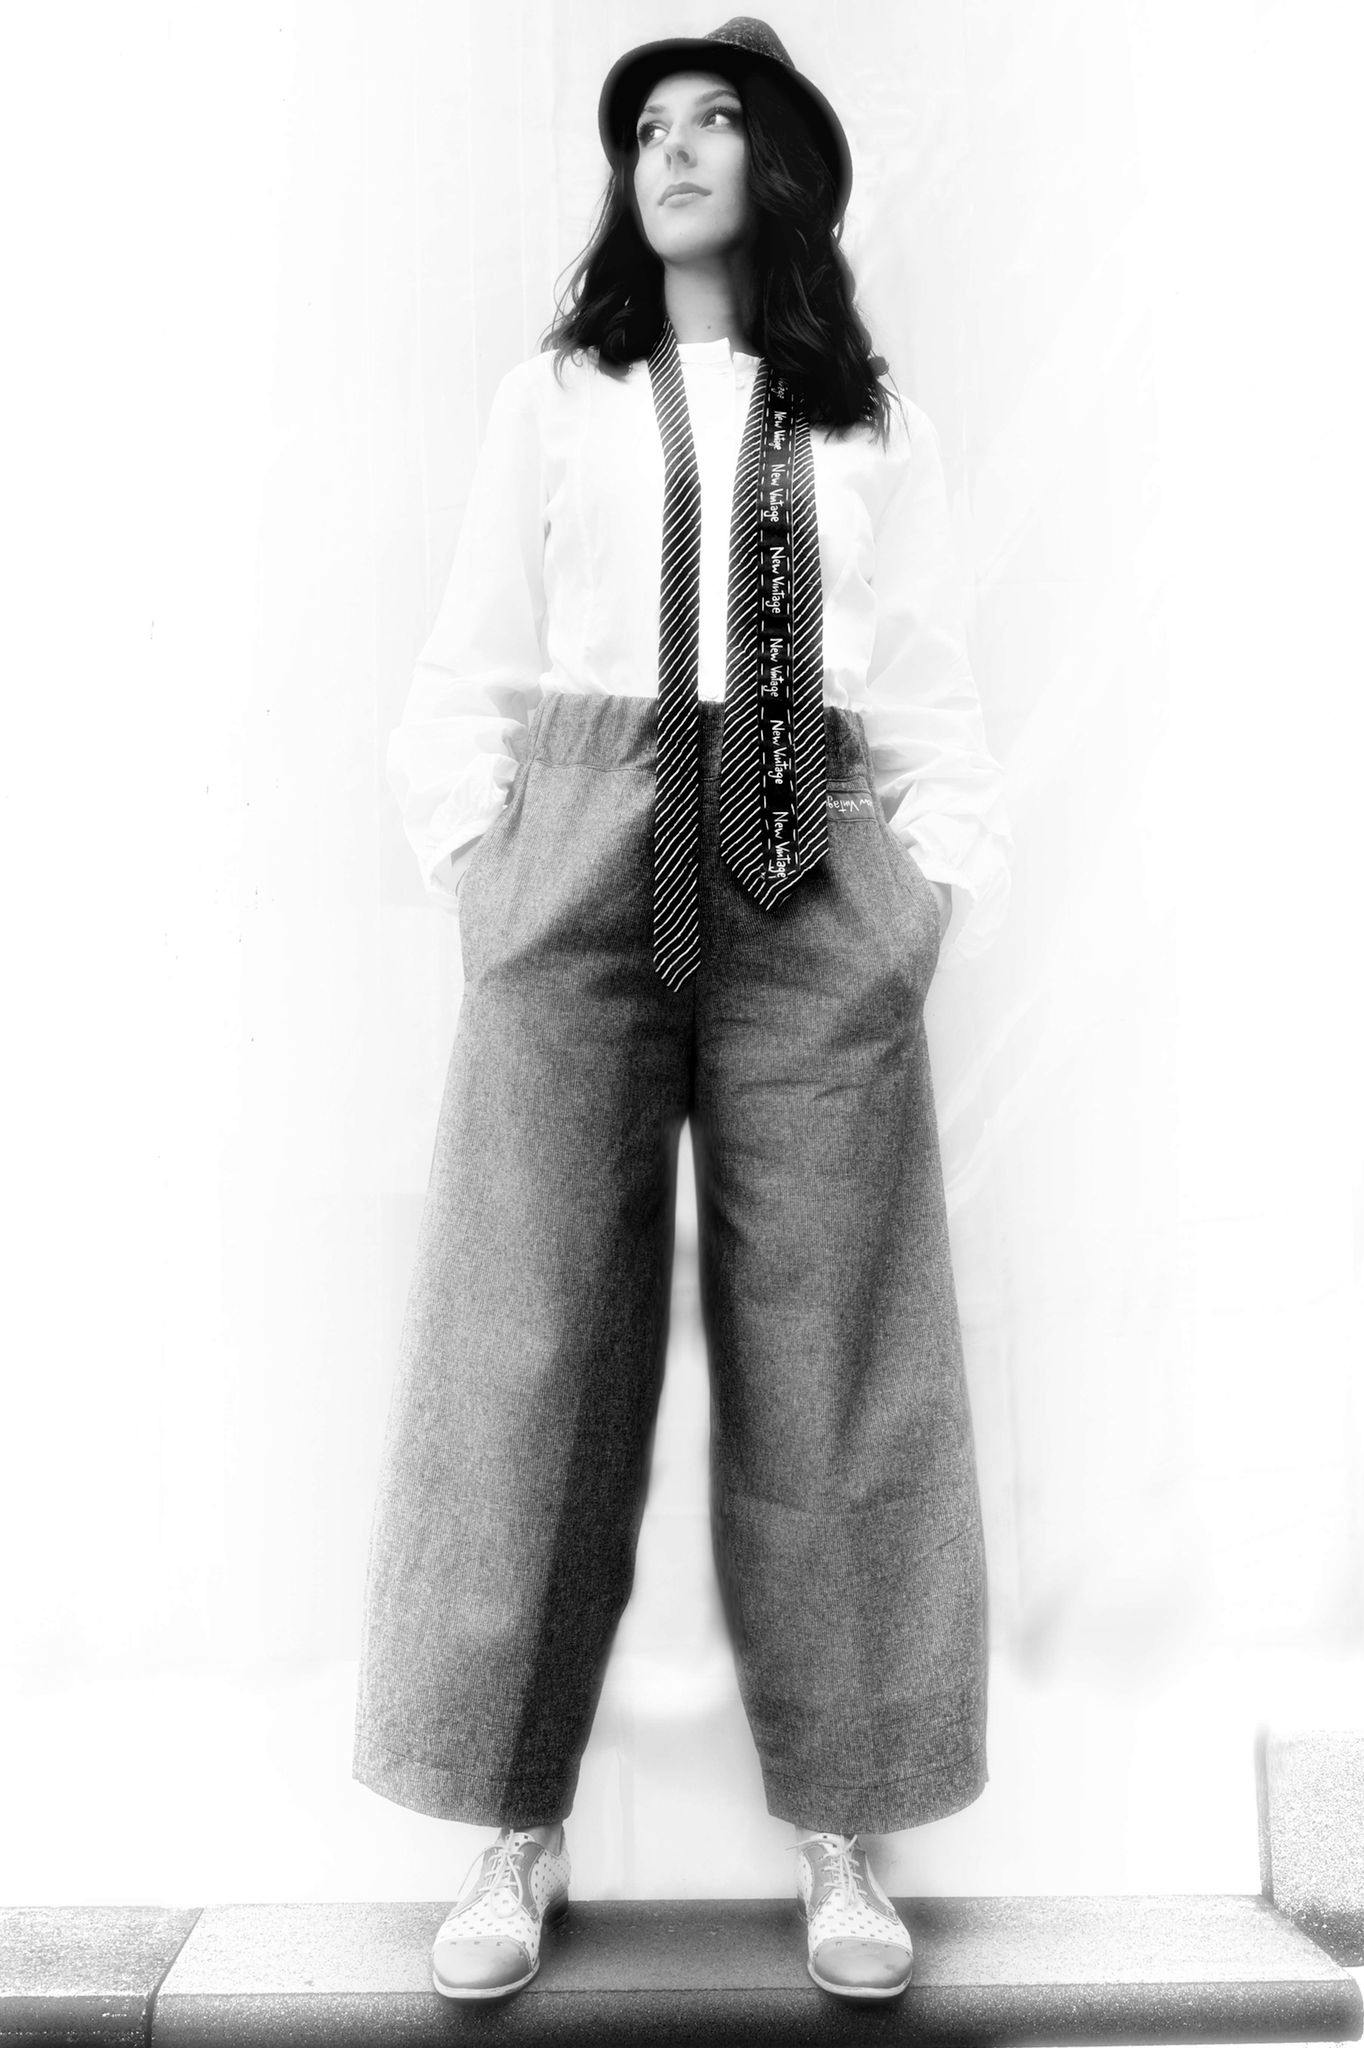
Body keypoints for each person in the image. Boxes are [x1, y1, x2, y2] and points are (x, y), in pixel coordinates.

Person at [352, 14, 1011, 2010]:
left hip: (810, 855)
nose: (674, 149)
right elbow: (472, 656)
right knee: (531, 1330)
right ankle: (511, 1814)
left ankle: (846, 1821)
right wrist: (488, 875)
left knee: (836, 1337)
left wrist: (914, 908)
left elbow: (930, 686)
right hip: (585, 839)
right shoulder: (560, 394)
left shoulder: (864, 426)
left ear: (783, 163)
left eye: (716, 118)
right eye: (647, 124)